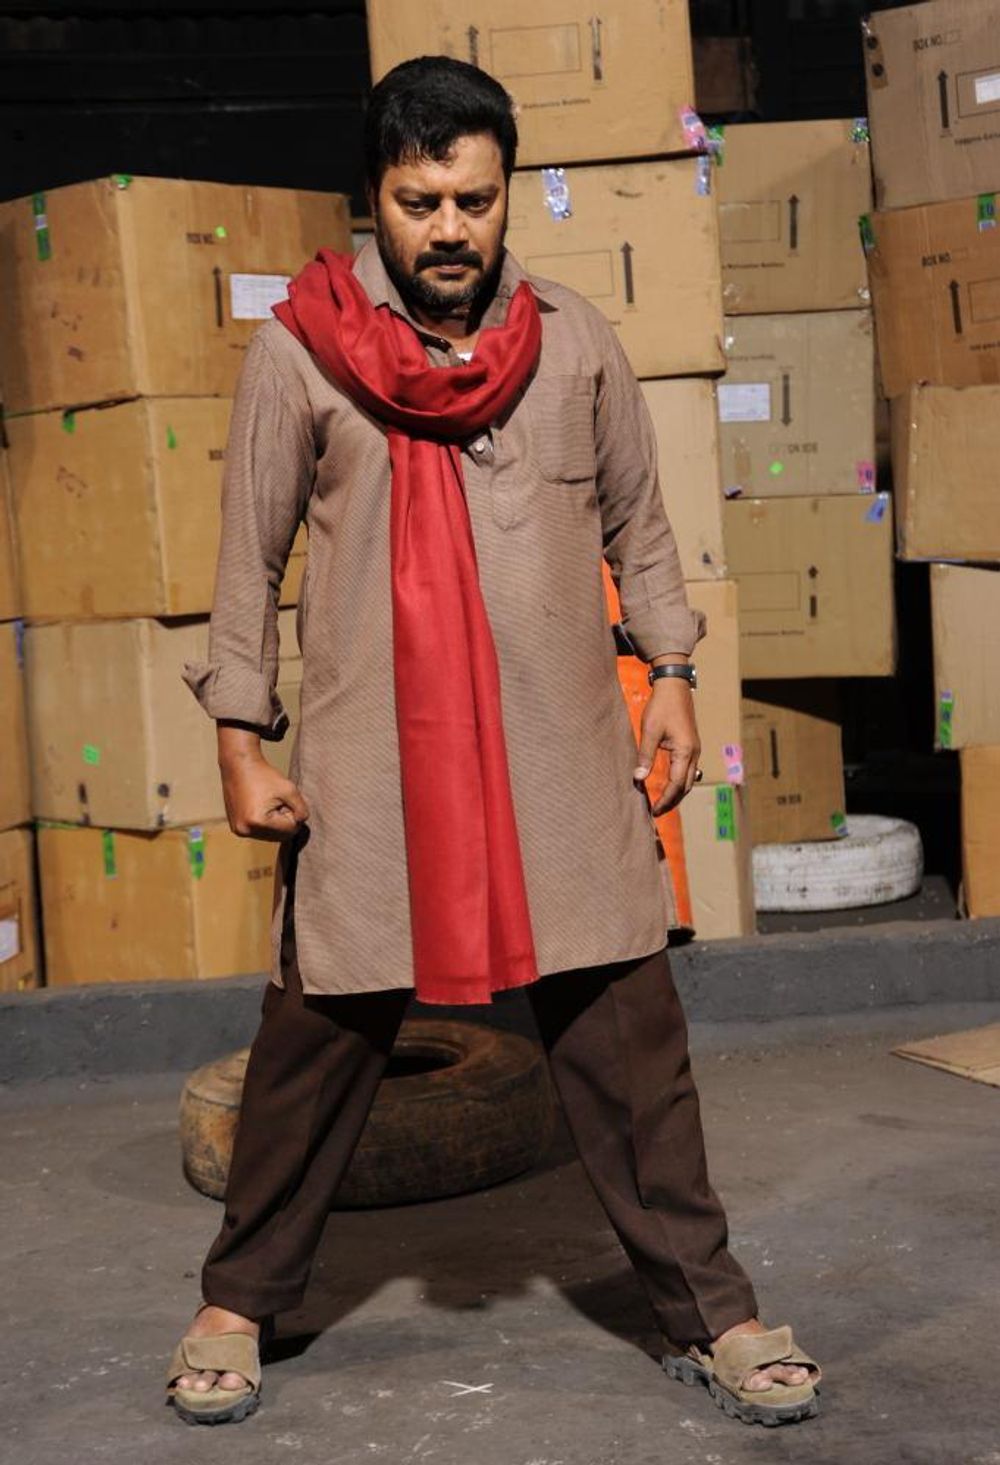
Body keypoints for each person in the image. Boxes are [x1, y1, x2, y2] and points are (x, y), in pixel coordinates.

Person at [166, 55, 820, 1430]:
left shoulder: (573, 344)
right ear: (375, 199)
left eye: (474, 198)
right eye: (421, 203)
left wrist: (674, 673)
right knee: (317, 1040)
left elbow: (641, 523)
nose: (450, 229)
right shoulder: (300, 354)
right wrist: (239, 739)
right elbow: (246, 562)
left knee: (633, 1041)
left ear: (508, 191)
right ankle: (238, 1299)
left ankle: (712, 1307)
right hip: (374, 766)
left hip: (557, 756)